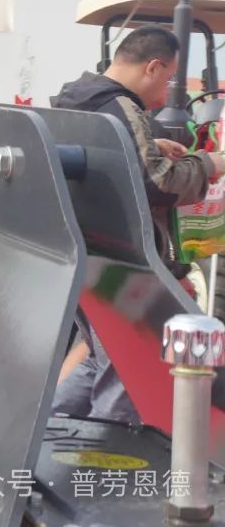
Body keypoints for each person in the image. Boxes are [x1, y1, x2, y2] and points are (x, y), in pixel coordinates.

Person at [50, 24, 225, 424]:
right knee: (130, 370)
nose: (164, 94)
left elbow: (99, 158)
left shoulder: (74, 97)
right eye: (169, 78)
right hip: (122, 261)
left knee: (102, 357)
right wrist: (208, 163)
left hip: (85, 254)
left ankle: (53, 433)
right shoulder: (121, 107)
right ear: (153, 67)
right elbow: (158, 183)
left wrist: (149, 144)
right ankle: (108, 449)